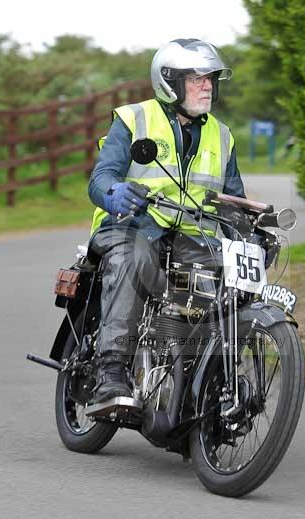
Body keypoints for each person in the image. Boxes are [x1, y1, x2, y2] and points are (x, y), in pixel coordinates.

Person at [86, 38, 245, 405]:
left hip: (190, 238)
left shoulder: (222, 135)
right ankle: (111, 373)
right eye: (196, 79)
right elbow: (101, 178)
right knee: (134, 259)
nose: (207, 86)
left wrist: (248, 236)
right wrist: (114, 192)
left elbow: (232, 202)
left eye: (210, 79)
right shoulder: (135, 118)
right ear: (170, 82)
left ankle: (207, 385)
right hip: (131, 227)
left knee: (230, 274)